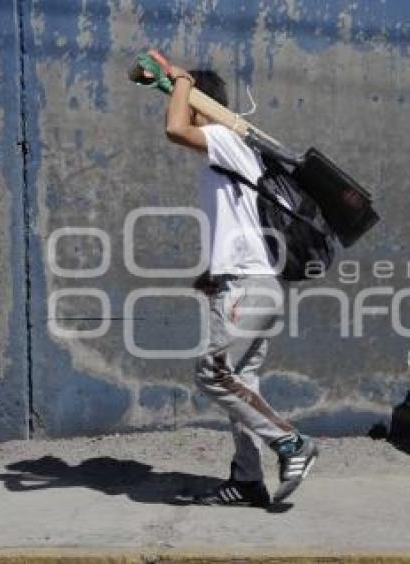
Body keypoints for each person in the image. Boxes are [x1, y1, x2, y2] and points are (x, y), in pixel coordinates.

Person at [161, 64, 318, 507]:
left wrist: (181, 83)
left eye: (184, 104)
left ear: (199, 108)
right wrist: (215, 269)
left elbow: (175, 128)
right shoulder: (236, 153)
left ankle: (292, 444)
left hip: (246, 286)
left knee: (212, 375)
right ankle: (248, 479)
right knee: (241, 382)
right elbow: (241, 221)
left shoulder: (226, 139)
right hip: (256, 282)